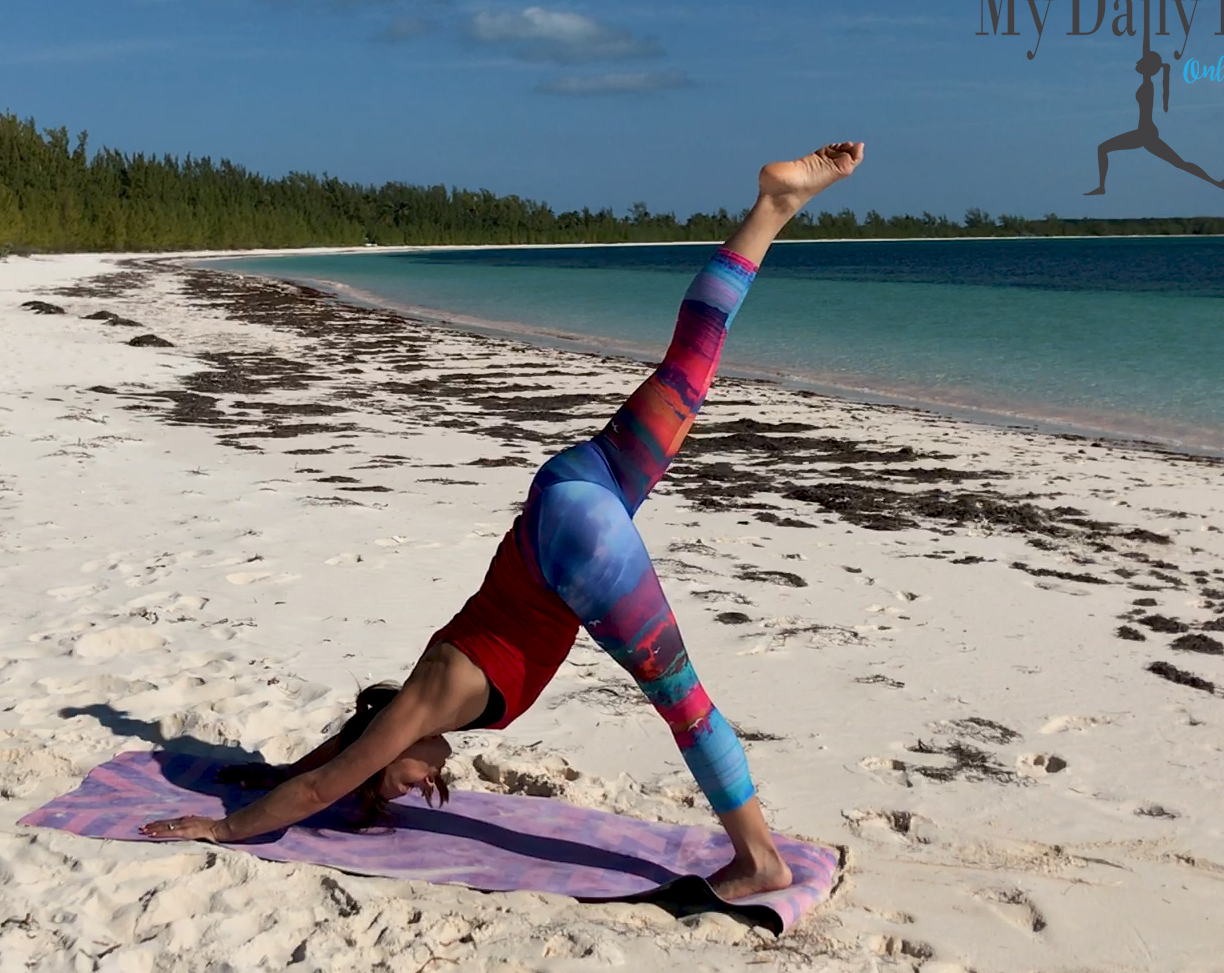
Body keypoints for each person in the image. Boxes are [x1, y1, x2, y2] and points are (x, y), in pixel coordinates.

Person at [141, 143, 867, 900]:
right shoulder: (411, 698)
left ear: (382, 751)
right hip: (570, 491)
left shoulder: (419, 705)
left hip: (576, 544)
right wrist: (274, 770)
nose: (423, 782)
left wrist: (224, 829)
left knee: (682, 700)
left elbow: (325, 784)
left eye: (396, 785)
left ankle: (761, 862)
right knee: (686, 367)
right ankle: (773, 207)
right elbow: (325, 760)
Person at [1085, 30, 1224, 195]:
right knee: (1180, 163)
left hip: (1145, 133)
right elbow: (1146, 50)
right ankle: (1218, 184)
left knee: (1103, 148)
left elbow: (1146, 50)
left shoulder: (1148, 84)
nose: (1137, 62)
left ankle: (1101, 187)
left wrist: (1146, 29)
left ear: (1148, 67)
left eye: (1141, 61)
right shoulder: (1148, 82)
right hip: (1145, 132)